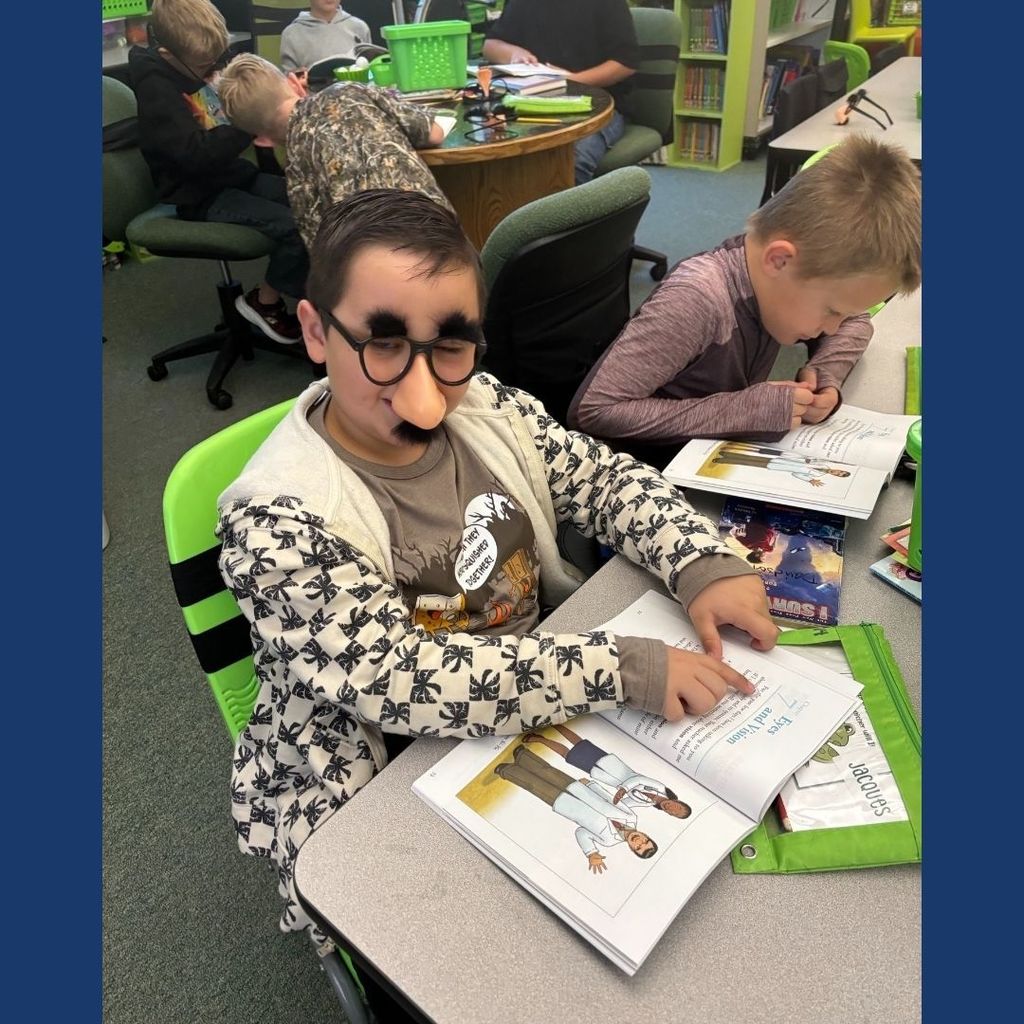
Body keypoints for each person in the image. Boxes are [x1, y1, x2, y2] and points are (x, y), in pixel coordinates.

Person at [216, 188, 777, 940]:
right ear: (315, 332)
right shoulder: (277, 520)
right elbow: (402, 682)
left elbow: (601, 478)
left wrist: (701, 559)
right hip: (378, 758)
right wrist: (620, 669)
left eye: (450, 345)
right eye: (383, 344)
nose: (424, 396)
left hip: (528, 700)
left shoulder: (484, 404)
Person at [568, 135, 922, 468]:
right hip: (648, 477)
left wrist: (825, 374)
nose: (833, 325)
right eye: (831, 310)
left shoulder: (780, 284)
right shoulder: (697, 299)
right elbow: (593, 410)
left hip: (710, 457)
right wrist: (746, 409)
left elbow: (856, 321)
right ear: (779, 260)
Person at [128, 0, 307, 344]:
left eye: (217, 58)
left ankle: (316, 299)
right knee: (296, 226)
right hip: (197, 194)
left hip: (232, 175)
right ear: (171, 51)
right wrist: (248, 122)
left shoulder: (193, 62)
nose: (213, 68)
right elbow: (194, 156)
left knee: (309, 201)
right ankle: (264, 301)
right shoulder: (156, 88)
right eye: (204, 64)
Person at [216, 53, 451, 252]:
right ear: (294, 83)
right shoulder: (351, 92)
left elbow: (321, 252)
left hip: (379, 278)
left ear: (262, 140)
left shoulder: (297, 174)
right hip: (445, 243)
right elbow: (435, 134)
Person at [481, 0, 639, 184]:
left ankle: (571, 213)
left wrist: (570, 82)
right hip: (531, 101)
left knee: (570, 161)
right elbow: (490, 45)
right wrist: (513, 53)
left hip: (597, 106)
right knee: (495, 155)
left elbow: (625, 64)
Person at [494, 745, 657, 874]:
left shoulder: (608, 841)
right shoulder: (631, 816)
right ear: (646, 835)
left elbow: (581, 832)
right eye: (645, 841)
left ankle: (507, 771)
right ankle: (524, 757)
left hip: (565, 805)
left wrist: (591, 852)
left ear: (631, 849)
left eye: (638, 847)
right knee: (549, 772)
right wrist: (592, 785)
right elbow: (611, 799)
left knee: (534, 785)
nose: (639, 841)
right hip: (580, 789)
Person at [521, 724, 691, 817]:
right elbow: (637, 779)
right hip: (610, 765)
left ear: (669, 814)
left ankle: (539, 739)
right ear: (677, 801)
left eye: (674, 813)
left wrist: (618, 809)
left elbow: (624, 803)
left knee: (568, 756)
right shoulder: (660, 787)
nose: (672, 808)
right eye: (677, 807)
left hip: (602, 776)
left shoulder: (647, 803)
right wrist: (623, 790)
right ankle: (555, 724)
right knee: (578, 744)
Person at [278, 0, 371, 73]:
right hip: (313, 95)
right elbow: (289, 81)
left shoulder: (359, 26)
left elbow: (370, 68)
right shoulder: (291, 33)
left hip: (356, 94)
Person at [712, 445, 852, 488]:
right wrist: (808, 460)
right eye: (840, 471)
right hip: (783, 460)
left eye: (838, 475)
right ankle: (725, 454)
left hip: (780, 467)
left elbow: (796, 474)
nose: (837, 472)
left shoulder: (817, 475)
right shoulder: (822, 464)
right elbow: (809, 457)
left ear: (835, 476)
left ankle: (722, 460)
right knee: (752, 458)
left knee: (750, 463)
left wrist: (809, 480)